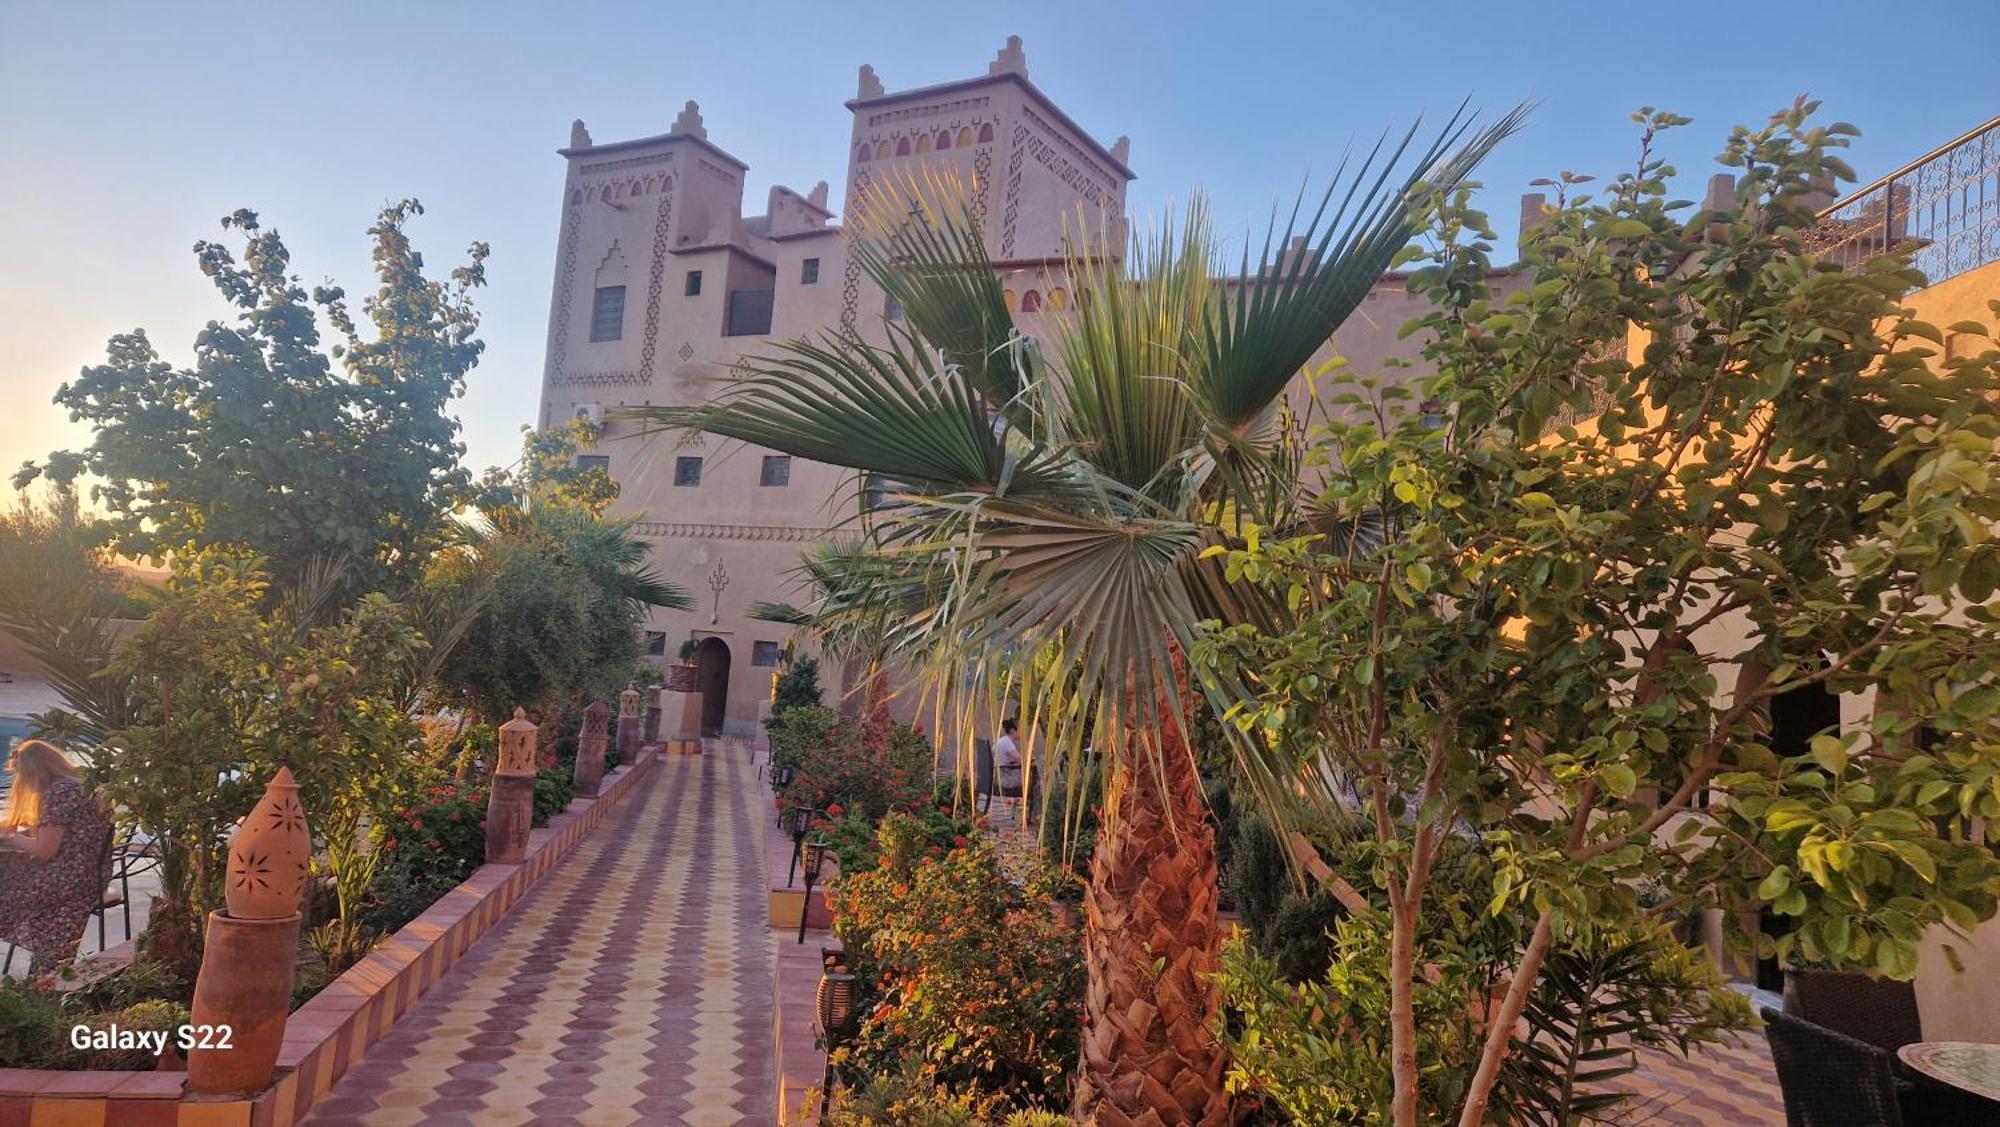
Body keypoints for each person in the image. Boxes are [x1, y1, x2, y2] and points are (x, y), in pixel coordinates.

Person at [0, 740, 112, 975]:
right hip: (92, 873)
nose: (25, 786)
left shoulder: (57, 794)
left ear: (35, 772)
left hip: (68, 879)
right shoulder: (81, 786)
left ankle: (30, 937)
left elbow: (44, 850)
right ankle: (40, 956)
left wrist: (10, 837)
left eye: (24, 778)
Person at [993, 716, 1024, 803]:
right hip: (1005, 781)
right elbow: (1022, 761)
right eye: (1020, 730)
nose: (1022, 733)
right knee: (1034, 781)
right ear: (1013, 731)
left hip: (999, 777)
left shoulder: (1002, 741)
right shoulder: (1007, 744)